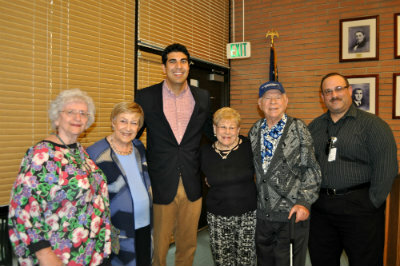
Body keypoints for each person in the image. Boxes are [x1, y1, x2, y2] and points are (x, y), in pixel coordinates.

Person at [8, 89, 112, 266]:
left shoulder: (79, 151)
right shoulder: (42, 154)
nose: (77, 118)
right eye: (70, 112)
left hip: (90, 253)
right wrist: (44, 254)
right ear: (57, 118)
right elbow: (21, 207)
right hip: (59, 256)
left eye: (83, 113)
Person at [308, 73, 398, 266]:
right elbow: (307, 165)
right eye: (328, 91)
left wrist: (372, 203)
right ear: (322, 97)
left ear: (349, 91)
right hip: (321, 209)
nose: (334, 95)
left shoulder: (373, 125)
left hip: (360, 209)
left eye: (339, 89)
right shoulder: (314, 127)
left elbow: (387, 166)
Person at [135, 43, 212, 266]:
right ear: (163, 67)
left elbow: (211, 135)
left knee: (188, 245)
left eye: (183, 61)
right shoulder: (145, 96)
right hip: (160, 183)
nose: (178, 66)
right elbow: (133, 135)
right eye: (172, 61)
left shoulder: (203, 97)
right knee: (158, 246)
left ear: (189, 66)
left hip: (192, 182)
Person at [248, 81, 321, 266]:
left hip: (291, 215)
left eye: (277, 97)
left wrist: (304, 203)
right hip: (263, 217)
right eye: (267, 98)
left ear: (286, 101)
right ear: (260, 103)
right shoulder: (255, 131)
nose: (273, 102)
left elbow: (312, 169)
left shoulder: (298, 128)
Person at [87, 102, 152, 266]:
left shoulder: (138, 147)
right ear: (113, 122)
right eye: (123, 121)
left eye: (134, 122)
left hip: (145, 225)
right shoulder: (95, 154)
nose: (128, 128)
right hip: (117, 232)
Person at [200, 107, 257, 266]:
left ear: (238, 129)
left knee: (246, 261)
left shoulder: (249, 147)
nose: (227, 132)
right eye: (223, 127)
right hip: (217, 217)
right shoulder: (204, 152)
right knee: (223, 261)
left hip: (247, 217)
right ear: (214, 129)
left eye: (232, 127)